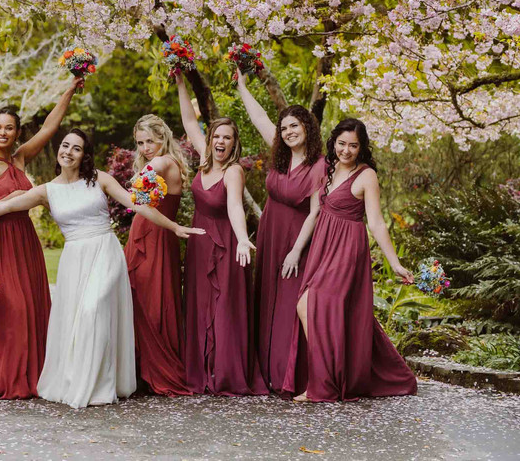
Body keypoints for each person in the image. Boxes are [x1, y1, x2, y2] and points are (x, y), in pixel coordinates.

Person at [0, 129, 203, 408]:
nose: (68, 151)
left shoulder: (101, 179)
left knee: (93, 308)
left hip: (105, 251)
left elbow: (138, 205)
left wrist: (174, 226)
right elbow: (4, 207)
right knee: (76, 319)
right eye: (65, 146)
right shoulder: (46, 191)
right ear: (59, 151)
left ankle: (97, 384)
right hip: (74, 258)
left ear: (84, 156)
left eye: (76, 148)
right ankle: (79, 378)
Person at [281, 118, 417, 402]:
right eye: (341, 144)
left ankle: (323, 384)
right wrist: (296, 249)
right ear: (334, 143)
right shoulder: (326, 170)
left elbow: (377, 223)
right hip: (323, 246)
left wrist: (394, 263)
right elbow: (314, 213)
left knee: (309, 306)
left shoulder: (366, 176)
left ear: (361, 147)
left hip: (348, 249)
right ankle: (330, 378)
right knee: (321, 311)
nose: (346, 150)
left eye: (353, 145)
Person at [0, 78, 83, 399]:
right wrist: (16, 197)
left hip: (24, 240)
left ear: (17, 132)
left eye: (9, 128)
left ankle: (35, 377)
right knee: (11, 308)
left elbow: (49, 128)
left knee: (33, 306)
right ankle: (3, 376)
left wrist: (70, 89)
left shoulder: (18, 158)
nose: (2, 133)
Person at [234, 71, 325, 390]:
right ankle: (268, 372)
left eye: (294, 126)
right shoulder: (281, 156)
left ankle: (292, 375)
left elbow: (315, 212)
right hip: (271, 235)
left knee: (290, 303)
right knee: (268, 298)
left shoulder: (318, 165)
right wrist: (243, 87)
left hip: (296, 242)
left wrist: (296, 251)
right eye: (284, 127)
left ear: (307, 128)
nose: (288, 132)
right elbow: (258, 115)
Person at [177, 78, 268, 395]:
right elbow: (190, 120)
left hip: (227, 245)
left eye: (227, 138)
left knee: (224, 308)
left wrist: (243, 239)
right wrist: (180, 79)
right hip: (200, 244)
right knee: (200, 306)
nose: (220, 141)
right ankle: (201, 370)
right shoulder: (203, 158)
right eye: (216, 135)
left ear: (233, 144)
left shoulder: (234, 171)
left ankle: (224, 373)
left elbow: (234, 207)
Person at [124, 114, 192, 396]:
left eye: (150, 140)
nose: (145, 148)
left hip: (155, 240)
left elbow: (139, 185)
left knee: (150, 302)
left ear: (163, 138)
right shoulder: (165, 164)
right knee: (141, 299)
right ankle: (140, 369)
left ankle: (155, 370)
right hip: (148, 236)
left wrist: (140, 175)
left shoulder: (164, 162)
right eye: (140, 143)